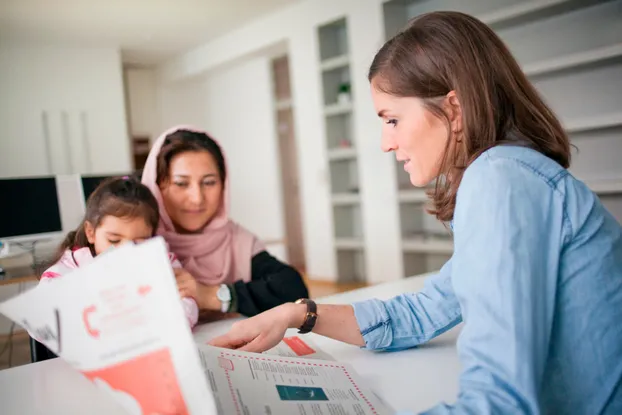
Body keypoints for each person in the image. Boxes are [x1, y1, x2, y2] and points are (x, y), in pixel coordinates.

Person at [209, 11, 622, 414]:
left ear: (454, 110)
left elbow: (499, 402)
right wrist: (296, 313)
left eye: (392, 119)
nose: (385, 143)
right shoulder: (507, 176)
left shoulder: (500, 180)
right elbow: (423, 312)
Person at [141, 126, 309, 318]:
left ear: (224, 185)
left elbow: (294, 290)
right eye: (181, 183)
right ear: (156, 187)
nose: (197, 198)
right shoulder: (138, 242)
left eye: (209, 182)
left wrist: (212, 295)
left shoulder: (237, 242)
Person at [40, 177, 199, 327]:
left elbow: (187, 305)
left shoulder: (162, 262)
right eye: (114, 241)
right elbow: (42, 321)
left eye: (139, 242)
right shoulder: (65, 273)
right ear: (91, 232)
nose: (125, 252)